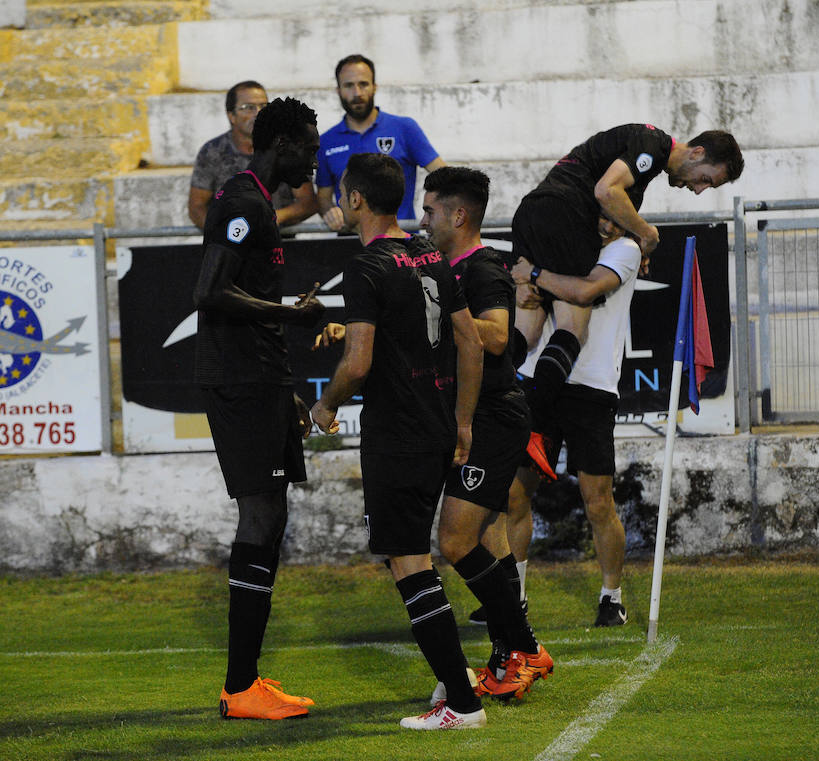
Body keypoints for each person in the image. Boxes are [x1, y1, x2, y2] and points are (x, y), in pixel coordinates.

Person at [310, 153, 486, 730]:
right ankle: (453, 678)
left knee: (409, 561)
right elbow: (470, 344)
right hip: (437, 425)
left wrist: (326, 404)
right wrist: (461, 422)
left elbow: (358, 363)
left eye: (341, 194)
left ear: (356, 199)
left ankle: (461, 702)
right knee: (413, 556)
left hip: (397, 432)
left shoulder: (365, 267)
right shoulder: (429, 253)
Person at [193, 96, 325, 720]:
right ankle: (239, 686)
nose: (317, 155)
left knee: (271, 520)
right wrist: (286, 313)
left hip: (261, 379)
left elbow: (244, 294)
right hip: (240, 382)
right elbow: (210, 291)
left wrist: (284, 382)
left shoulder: (257, 202)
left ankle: (247, 681)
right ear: (283, 145)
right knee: (261, 516)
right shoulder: (243, 202)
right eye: (310, 144)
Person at [512, 125, 743, 479]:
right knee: (574, 329)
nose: (698, 190)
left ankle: (483, 406)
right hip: (561, 215)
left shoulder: (638, 167)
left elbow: (608, 212)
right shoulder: (650, 145)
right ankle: (532, 427)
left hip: (533, 213)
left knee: (526, 335)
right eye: (706, 180)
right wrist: (646, 233)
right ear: (696, 153)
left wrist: (631, 232)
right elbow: (605, 191)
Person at [419, 166, 552, 702]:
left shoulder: (483, 269)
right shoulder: (440, 266)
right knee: (473, 539)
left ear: (458, 215)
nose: (422, 220)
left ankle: (522, 647)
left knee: (455, 540)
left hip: (494, 417)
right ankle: (514, 650)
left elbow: (498, 337)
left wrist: (451, 316)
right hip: (466, 416)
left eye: (430, 211)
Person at [490, 223, 643, 627]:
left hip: (591, 387)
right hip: (538, 381)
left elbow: (582, 291)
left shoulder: (625, 249)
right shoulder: (556, 239)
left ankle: (612, 597)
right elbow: (523, 293)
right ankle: (514, 597)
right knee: (514, 494)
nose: (603, 223)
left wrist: (535, 276)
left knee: (598, 500)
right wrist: (523, 284)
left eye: (612, 215)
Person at [315, 54, 446, 231]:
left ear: (375, 87)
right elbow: (323, 198)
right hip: (349, 245)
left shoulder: (404, 128)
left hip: (401, 244)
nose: (357, 93)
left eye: (363, 84)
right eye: (348, 85)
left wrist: (433, 213)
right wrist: (330, 211)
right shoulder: (326, 141)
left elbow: (445, 177)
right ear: (338, 90)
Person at [188, 80, 319, 229]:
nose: (258, 113)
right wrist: (225, 233)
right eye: (248, 107)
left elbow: (308, 203)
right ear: (231, 115)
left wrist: (272, 218)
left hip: (281, 243)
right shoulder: (212, 151)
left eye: (264, 106)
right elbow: (196, 208)